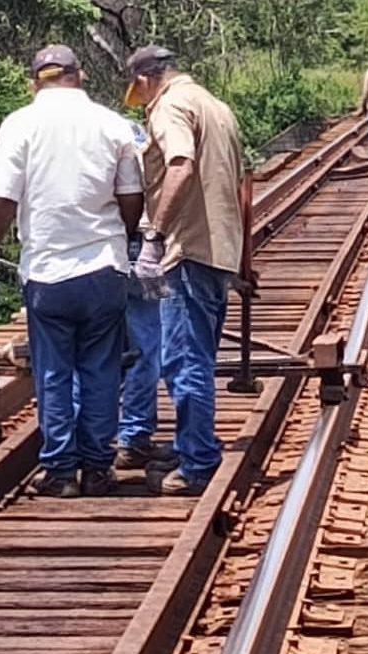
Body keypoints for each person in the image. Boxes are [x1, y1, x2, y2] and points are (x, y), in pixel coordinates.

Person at [0, 44, 144, 498]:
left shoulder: (20, 125)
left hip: (47, 272)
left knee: (54, 372)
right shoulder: (113, 124)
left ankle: (62, 473)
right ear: (79, 75)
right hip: (104, 269)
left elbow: (2, 202)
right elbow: (132, 198)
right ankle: (98, 467)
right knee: (102, 370)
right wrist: (122, 237)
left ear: (35, 82)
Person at [122, 45, 244, 496]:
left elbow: (180, 164)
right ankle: (194, 442)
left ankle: (197, 463)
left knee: (182, 360)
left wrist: (153, 236)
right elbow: (239, 184)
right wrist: (243, 260)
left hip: (187, 250)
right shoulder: (215, 106)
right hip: (218, 252)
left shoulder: (169, 105)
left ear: (145, 81)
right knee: (198, 358)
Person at [114, 121, 167, 469]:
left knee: (89, 349)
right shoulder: (141, 142)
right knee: (145, 348)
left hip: (99, 256)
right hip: (139, 251)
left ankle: (82, 439)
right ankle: (132, 437)